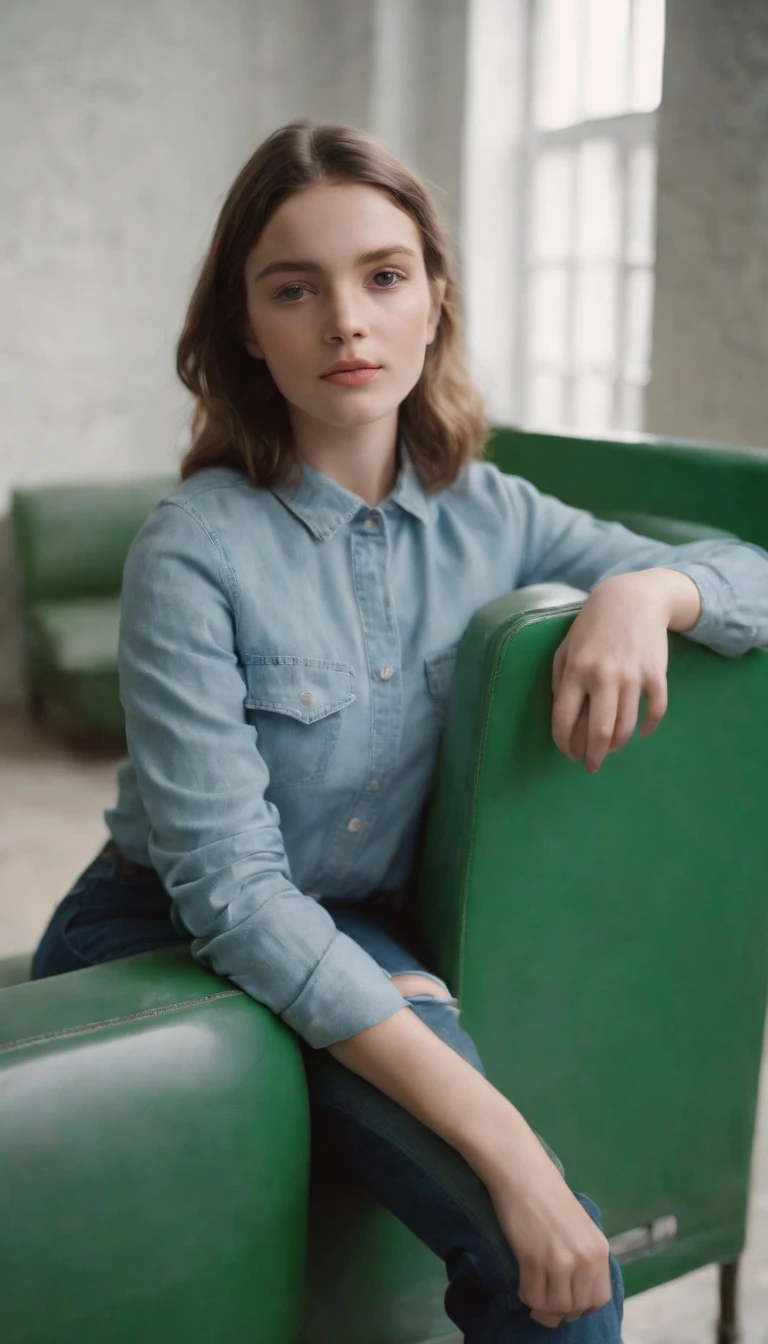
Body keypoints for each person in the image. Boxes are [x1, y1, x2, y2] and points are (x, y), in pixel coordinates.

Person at [32, 120, 768, 1341]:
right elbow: (231, 893)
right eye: (295, 289)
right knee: (537, 1230)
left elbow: (754, 570)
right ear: (244, 329)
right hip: (161, 924)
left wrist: (652, 593)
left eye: (383, 275)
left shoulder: (497, 515)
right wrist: (511, 1149)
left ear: (436, 298)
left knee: (567, 1276)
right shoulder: (193, 549)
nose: (347, 323)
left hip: (355, 929)